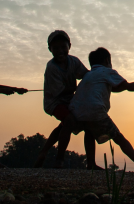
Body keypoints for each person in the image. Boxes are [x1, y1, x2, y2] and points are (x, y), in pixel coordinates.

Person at [56, 47, 134, 172]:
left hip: (76, 111)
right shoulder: (107, 72)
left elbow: (114, 88)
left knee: (88, 130)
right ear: (107, 60)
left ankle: (91, 164)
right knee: (118, 138)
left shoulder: (88, 75)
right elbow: (127, 86)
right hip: (96, 110)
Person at [33, 30, 99, 169]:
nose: (60, 51)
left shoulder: (73, 61)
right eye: (55, 48)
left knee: (86, 122)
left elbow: (85, 75)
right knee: (68, 121)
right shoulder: (52, 67)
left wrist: (98, 78)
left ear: (69, 46)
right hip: (55, 102)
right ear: (50, 49)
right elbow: (61, 91)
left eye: (63, 47)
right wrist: (79, 88)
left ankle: (91, 163)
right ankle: (59, 159)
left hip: (70, 100)